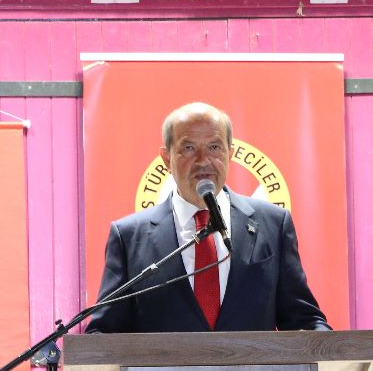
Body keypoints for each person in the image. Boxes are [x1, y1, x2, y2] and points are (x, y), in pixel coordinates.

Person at [87, 102, 331, 334]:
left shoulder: (273, 224)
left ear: (230, 154)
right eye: (189, 148)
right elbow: (104, 332)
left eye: (214, 147)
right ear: (167, 158)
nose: (203, 160)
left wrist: (333, 352)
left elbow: (304, 321)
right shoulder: (129, 236)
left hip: (252, 367)